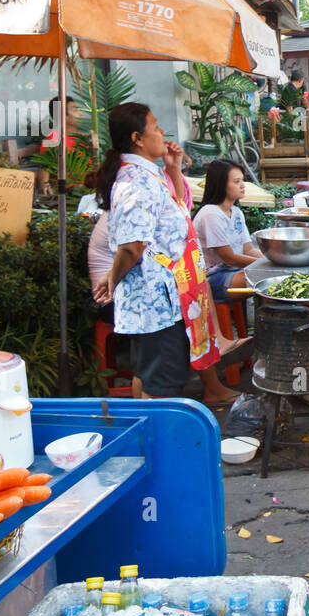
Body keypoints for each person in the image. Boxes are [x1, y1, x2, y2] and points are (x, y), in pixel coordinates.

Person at [93, 103, 222, 401]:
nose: (162, 131)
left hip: (165, 298)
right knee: (161, 381)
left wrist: (173, 167)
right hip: (157, 302)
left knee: (149, 373)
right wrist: (112, 277)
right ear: (137, 138)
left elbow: (176, 211)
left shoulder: (148, 175)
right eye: (155, 126)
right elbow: (132, 245)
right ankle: (157, 442)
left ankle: (148, 438)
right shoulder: (135, 181)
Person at [193, 158, 262, 301]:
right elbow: (229, 258)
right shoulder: (210, 214)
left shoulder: (236, 212)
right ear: (221, 184)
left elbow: (248, 249)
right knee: (266, 279)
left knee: (273, 275)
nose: (243, 186)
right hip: (212, 279)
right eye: (237, 182)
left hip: (234, 271)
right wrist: (267, 265)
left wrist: (272, 260)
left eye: (242, 181)